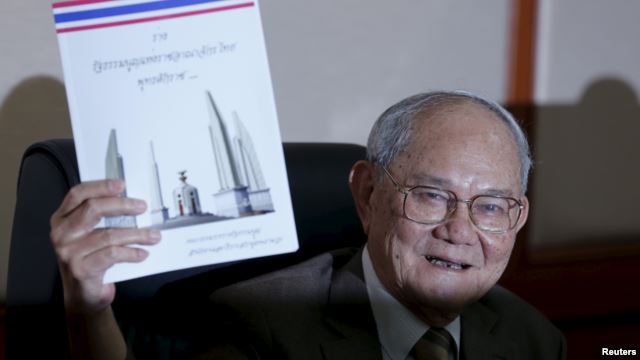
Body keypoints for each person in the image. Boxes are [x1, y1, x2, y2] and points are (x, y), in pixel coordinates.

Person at [50, 91, 567, 359]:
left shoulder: (534, 339)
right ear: (367, 195)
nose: (460, 230)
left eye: (492, 206)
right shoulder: (258, 323)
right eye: (432, 197)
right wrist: (89, 313)